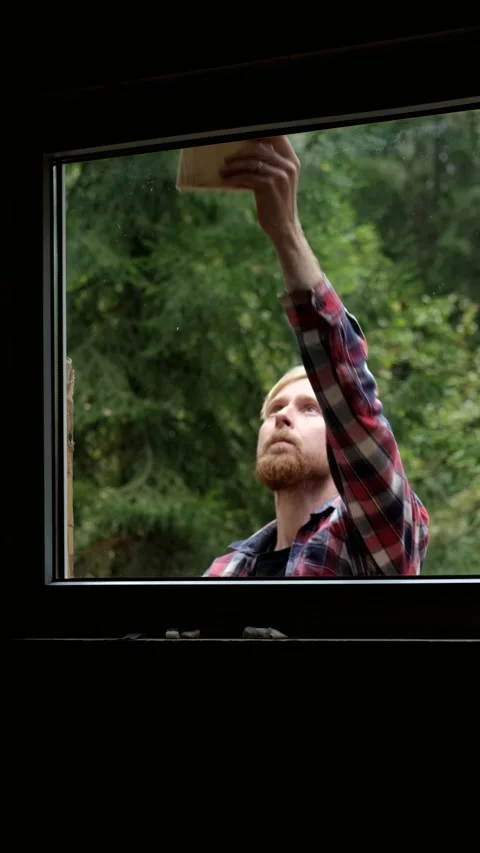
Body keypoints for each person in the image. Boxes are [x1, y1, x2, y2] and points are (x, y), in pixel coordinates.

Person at [204, 135, 429, 578]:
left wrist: (284, 231)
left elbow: (350, 404)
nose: (281, 418)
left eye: (310, 407)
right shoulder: (225, 571)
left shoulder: (371, 541)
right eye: (274, 409)